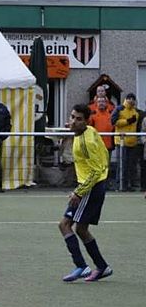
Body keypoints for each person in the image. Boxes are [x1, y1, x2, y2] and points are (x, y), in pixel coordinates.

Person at [59, 104, 114, 282]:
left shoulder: (86, 142)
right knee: (81, 229)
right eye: (72, 117)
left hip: (89, 188)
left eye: (78, 119)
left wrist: (79, 192)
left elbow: (95, 170)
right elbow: (103, 156)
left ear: (86, 121)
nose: (73, 121)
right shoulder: (89, 131)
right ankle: (102, 267)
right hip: (94, 186)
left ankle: (81, 266)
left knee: (65, 225)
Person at [111, 93, 142, 192]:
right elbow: (113, 122)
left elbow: (138, 127)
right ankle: (119, 185)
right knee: (122, 164)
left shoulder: (136, 112)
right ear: (126, 99)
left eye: (133, 99)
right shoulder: (119, 109)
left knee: (131, 165)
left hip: (132, 142)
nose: (131, 101)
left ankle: (129, 185)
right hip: (121, 142)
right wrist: (127, 121)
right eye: (130, 99)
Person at [88, 95, 116, 190]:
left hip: (108, 145)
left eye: (103, 102)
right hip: (96, 146)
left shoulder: (111, 115)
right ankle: (96, 184)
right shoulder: (93, 116)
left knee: (106, 166)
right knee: (96, 166)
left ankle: (105, 184)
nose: (101, 103)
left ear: (106, 103)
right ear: (96, 103)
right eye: (99, 102)